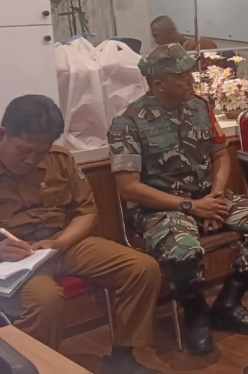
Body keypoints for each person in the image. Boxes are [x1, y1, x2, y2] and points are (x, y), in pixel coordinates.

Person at [108, 44, 248, 356]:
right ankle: (196, 312)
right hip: (159, 208)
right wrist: (192, 207)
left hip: (206, 197)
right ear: (159, 84)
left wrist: (214, 198)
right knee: (182, 251)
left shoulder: (199, 106)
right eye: (181, 76)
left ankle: (228, 302)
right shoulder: (127, 123)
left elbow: (221, 155)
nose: (191, 81)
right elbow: (129, 188)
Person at [0, 95, 162, 374]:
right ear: (3, 134)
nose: (30, 160)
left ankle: (122, 359)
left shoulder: (59, 159)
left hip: (59, 242)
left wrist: (59, 242)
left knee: (142, 268)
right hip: (14, 259)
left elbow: (87, 212)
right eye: (23, 150)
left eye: (40, 152)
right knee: (45, 301)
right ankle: (32, 368)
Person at [150, 16, 217, 51]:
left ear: (168, 33)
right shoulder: (167, 53)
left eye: (156, 36)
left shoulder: (197, 45)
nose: (156, 41)